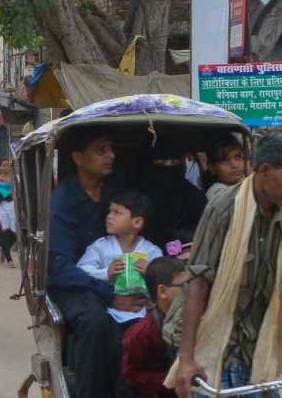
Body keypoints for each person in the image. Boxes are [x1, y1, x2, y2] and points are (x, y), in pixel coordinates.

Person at [164, 132, 282, 398]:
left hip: (254, 334)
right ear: (264, 171)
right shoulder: (223, 209)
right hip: (207, 334)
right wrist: (186, 359)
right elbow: (198, 283)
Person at [48, 126, 134, 398]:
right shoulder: (62, 202)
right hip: (76, 285)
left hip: (121, 276)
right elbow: (60, 267)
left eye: (110, 149)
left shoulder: (117, 189)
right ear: (78, 157)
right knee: (95, 323)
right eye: (100, 150)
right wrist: (109, 294)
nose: (110, 155)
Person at [77, 189, 162, 330]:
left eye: (117, 213)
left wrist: (151, 273)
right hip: (108, 312)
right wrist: (106, 273)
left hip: (142, 315)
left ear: (137, 222)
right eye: (109, 212)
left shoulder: (152, 251)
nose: (109, 217)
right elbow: (81, 271)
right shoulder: (100, 246)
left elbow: (163, 284)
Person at [121, 257, 186, 398]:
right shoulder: (141, 333)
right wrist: (174, 379)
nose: (191, 292)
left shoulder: (193, 321)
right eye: (183, 287)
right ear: (162, 291)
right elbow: (131, 376)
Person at [137, 135, 207, 253]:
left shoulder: (194, 197)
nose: (168, 169)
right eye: (161, 163)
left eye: (174, 163)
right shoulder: (133, 198)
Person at [201, 134, 246, 202]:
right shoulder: (218, 192)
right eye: (225, 161)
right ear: (212, 167)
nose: (235, 165)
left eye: (238, 157)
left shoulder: (231, 188)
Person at [0, 159, 15, 265]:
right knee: (4, 232)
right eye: (3, 165)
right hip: (1, 206)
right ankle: (9, 260)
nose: (6, 167)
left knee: (15, 233)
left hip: (14, 206)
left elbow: (20, 193)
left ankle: (3, 250)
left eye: (7, 165)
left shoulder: (16, 178)